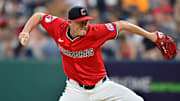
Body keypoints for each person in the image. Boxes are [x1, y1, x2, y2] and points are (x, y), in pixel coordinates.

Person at [18, 6, 176, 101]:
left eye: (86, 21)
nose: (85, 25)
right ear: (70, 22)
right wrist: (26, 31)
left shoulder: (95, 32)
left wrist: (152, 36)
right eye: (81, 22)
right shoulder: (58, 27)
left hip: (102, 87)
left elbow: (122, 25)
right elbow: (38, 16)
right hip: (75, 90)